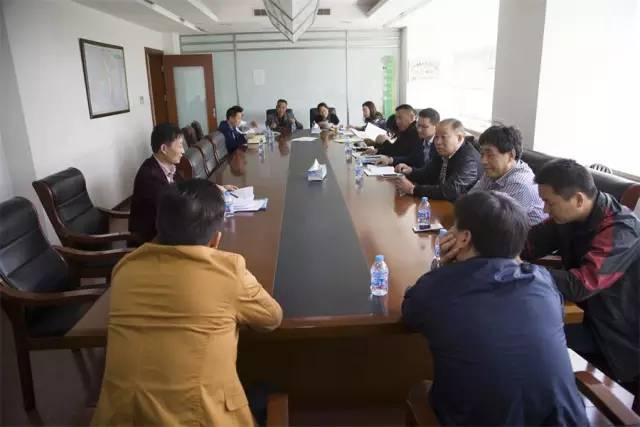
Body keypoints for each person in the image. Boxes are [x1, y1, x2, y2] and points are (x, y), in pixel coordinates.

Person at [92, 179, 283, 426]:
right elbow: (272, 318)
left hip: (122, 419)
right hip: (199, 419)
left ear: (158, 226)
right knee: (267, 390)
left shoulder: (124, 269)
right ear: (215, 241)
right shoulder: (228, 270)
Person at [403, 191, 588, 426]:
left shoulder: (439, 286)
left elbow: (411, 313)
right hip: (565, 421)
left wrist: (441, 270)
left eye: (454, 228)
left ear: (464, 238)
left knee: (420, 390)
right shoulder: (543, 281)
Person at [521, 159, 640, 389]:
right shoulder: (567, 216)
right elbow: (527, 244)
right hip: (582, 311)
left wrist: (524, 268)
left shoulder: (621, 230)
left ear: (577, 199)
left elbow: (580, 285)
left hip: (612, 333)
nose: (545, 209)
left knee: (527, 330)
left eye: (549, 202)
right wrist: (487, 245)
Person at [471, 125, 546, 225]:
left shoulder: (520, 185)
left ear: (511, 155)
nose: (483, 161)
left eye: (490, 155)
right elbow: (470, 199)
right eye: (482, 154)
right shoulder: (494, 171)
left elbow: (495, 224)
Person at [395, 118, 482, 201]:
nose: (438, 142)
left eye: (444, 137)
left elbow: (450, 191)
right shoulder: (444, 151)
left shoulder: (469, 160)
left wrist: (413, 189)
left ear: (459, 138)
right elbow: (428, 173)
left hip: (458, 206)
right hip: (441, 202)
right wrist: (410, 171)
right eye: (436, 137)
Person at [129, 123, 185, 243]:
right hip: (151, 240)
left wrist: (212, 188)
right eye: (180, 146)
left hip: (167, 228)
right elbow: (173, 208)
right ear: (164, 149)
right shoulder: (149, 176)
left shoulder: (169, 166)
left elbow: (186, 187)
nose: (183, 151)